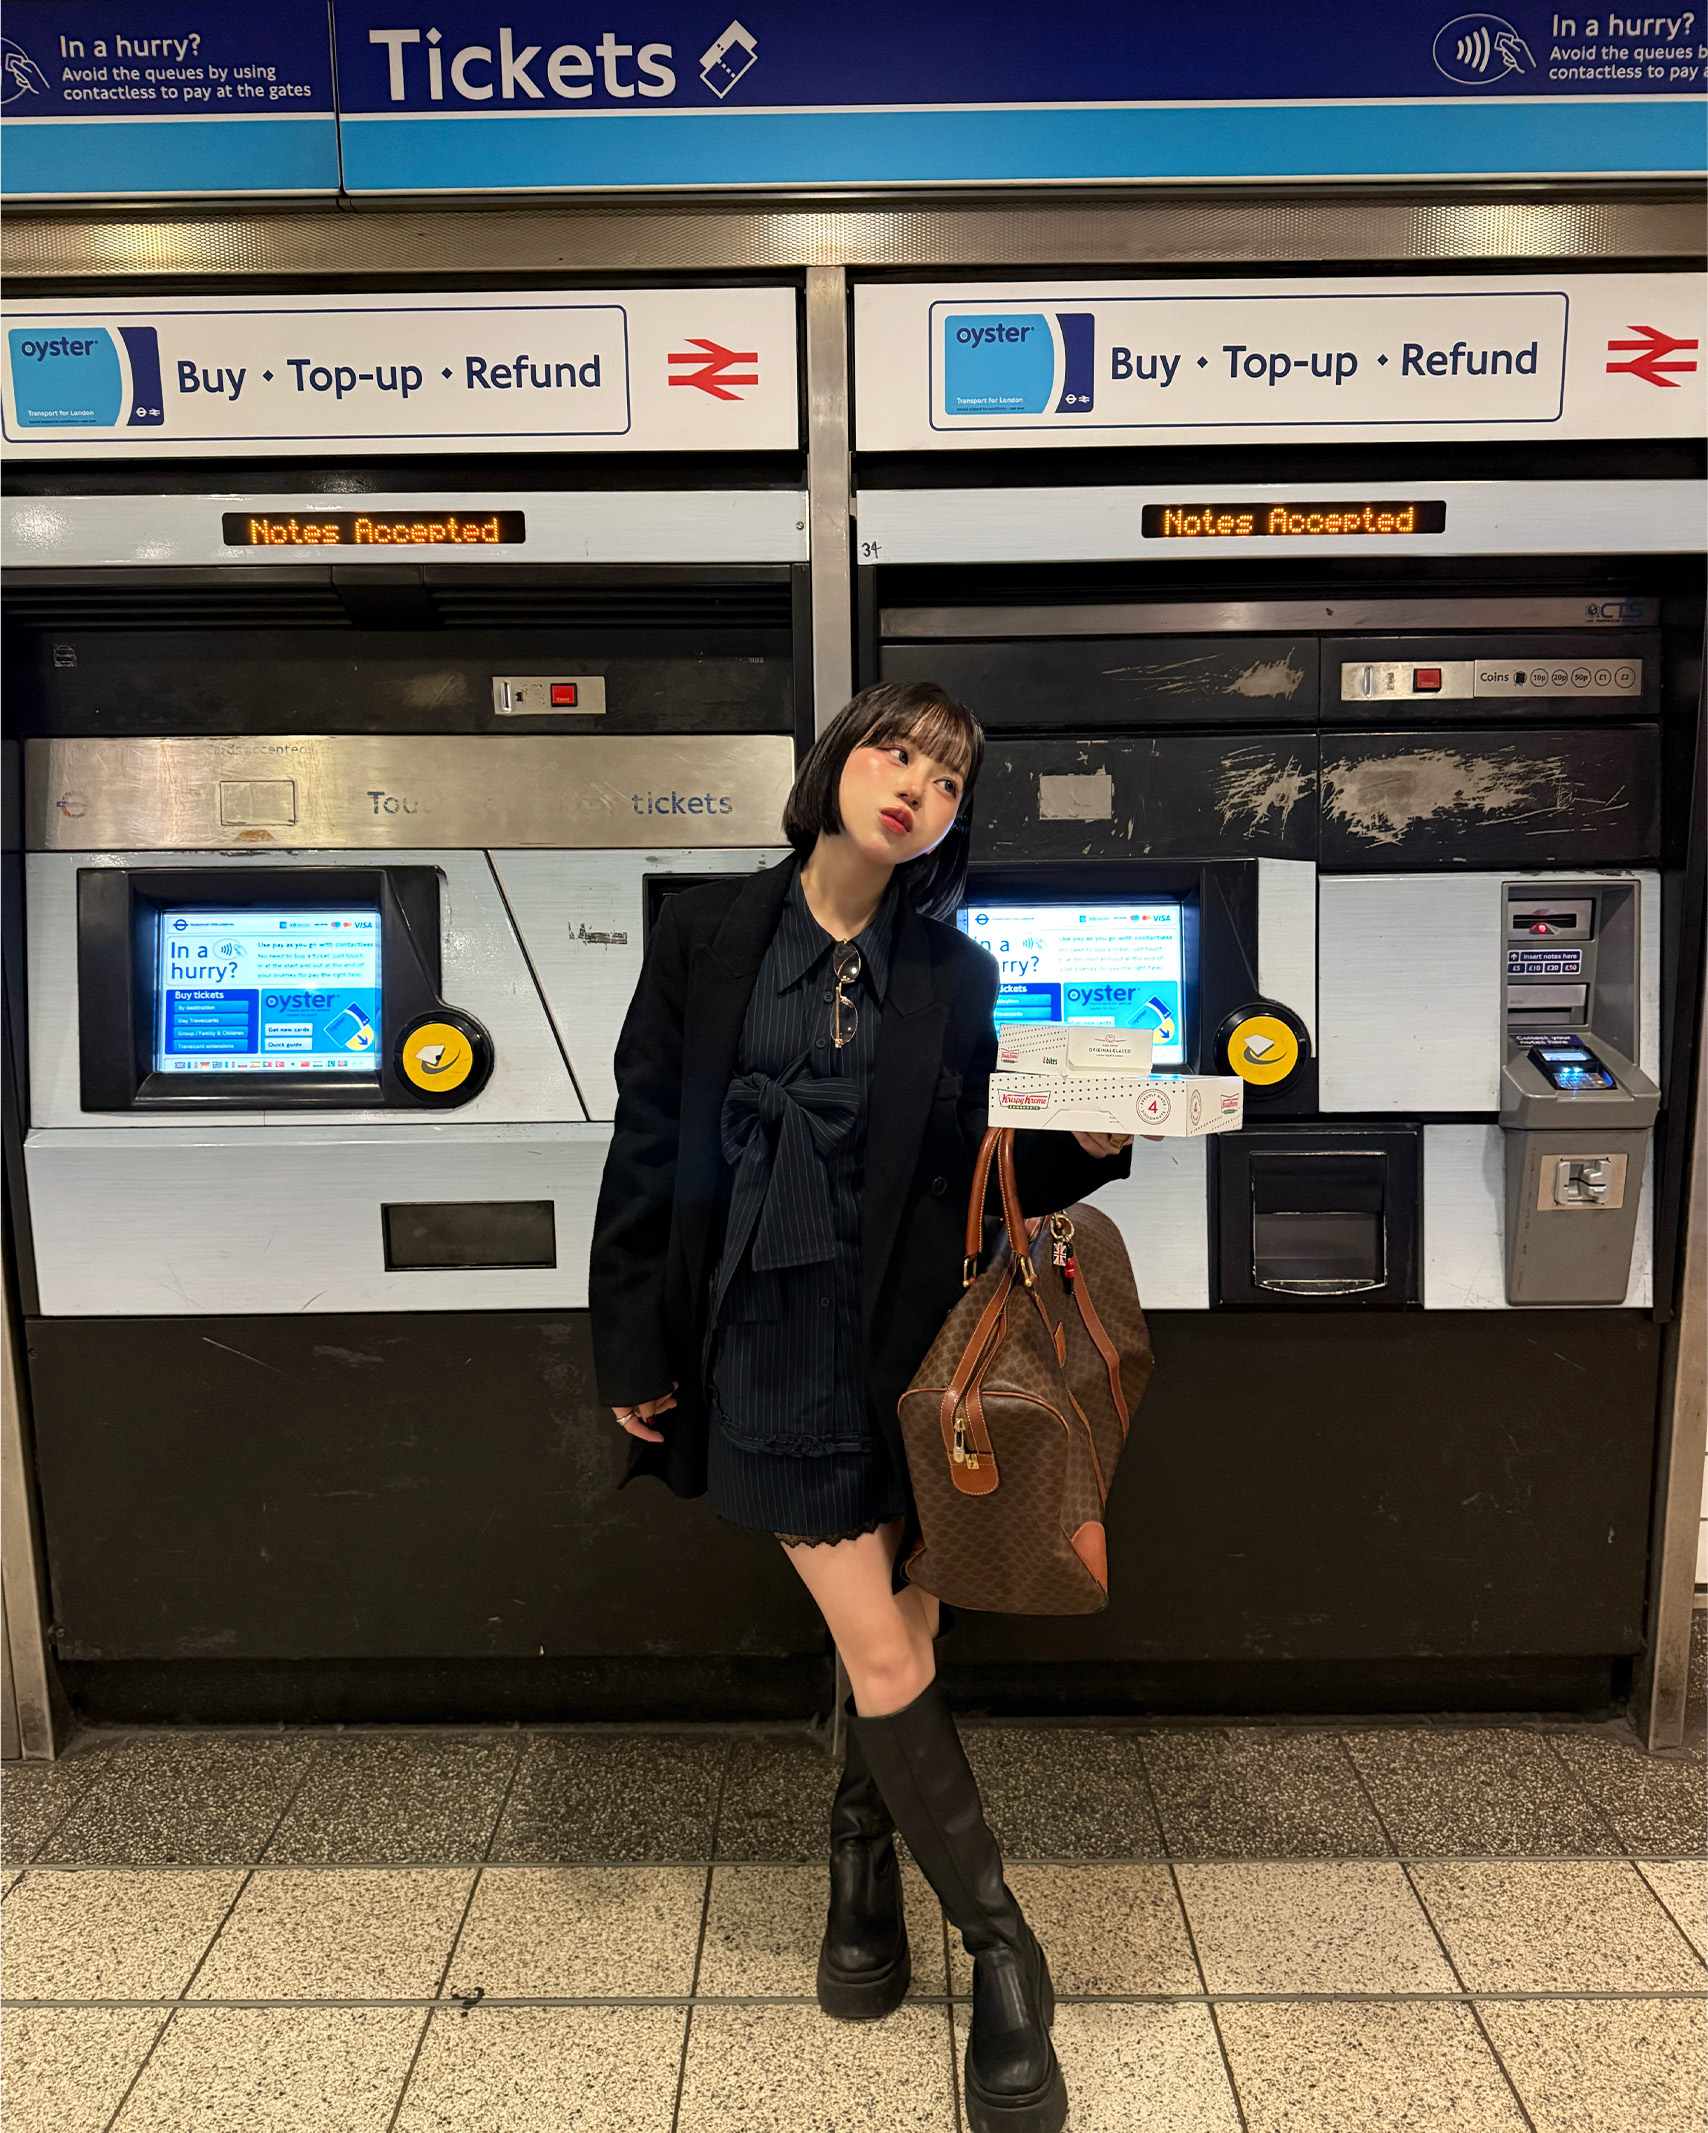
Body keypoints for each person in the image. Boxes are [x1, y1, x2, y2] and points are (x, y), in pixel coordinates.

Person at [590, 681, 1131, 2133]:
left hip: (911, 1350)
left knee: (911, 1627)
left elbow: (979, 1170)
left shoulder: (954, 972)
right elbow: (647, 1143)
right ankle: (1003, 1947)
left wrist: (1086, 1142)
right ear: (836, 763)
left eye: (947, 780)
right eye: (896, 753)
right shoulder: (707, 935)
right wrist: (631, 1342)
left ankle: (859, 1869)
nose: (915, 788)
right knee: (887, 1645)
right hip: (761, 1339)